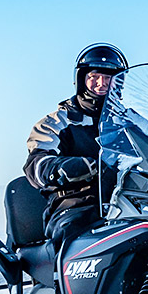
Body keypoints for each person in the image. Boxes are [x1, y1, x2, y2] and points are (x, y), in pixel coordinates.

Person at [24, 43, 129, 249]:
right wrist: (65, 167)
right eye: (94, 77)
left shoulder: (128, 121)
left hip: (129, 201)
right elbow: (35, 164)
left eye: (109, 78)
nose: (101, 83)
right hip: (77, 203)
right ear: (82, 79)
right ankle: (60, 279)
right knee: (74, 236)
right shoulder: (59, 122)